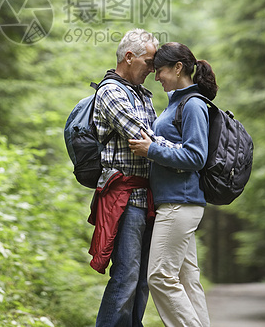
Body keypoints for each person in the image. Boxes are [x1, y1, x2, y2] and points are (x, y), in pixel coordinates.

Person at [129, 42, 218, 327]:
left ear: (178, 68)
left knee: (159, 277)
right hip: (177, 201)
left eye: (160, 71)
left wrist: (150, 150)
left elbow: (196, 156)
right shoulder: (178, 103)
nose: (156, 77)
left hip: (179, 203)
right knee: (186, 279)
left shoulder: (192, 105)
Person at [90, 28, 158, 327]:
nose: (153, 70)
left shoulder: (142, 94)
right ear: (129, 57)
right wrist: (188, 153)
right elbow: (144, 137)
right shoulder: (111, 91)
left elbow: (155, 143)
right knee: (126, 278)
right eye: (149, 62)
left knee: (142, 281)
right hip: (125, 198)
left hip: (146, 198)